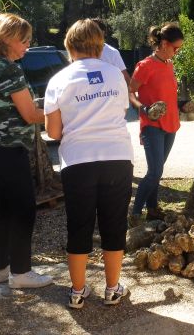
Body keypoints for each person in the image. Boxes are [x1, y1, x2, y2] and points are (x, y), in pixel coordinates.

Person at [44, 19, 134, 308]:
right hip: (118, 157)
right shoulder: (116, 75)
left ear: (69, 46)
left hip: (77, 161)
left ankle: (78, 292)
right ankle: (112, 289)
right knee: (114, 224)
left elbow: (54, 132)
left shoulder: (58, 80)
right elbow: (120, 111)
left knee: (79, 225)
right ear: (99, 46)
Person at [0, 13, 53, 289]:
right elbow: (31, 114)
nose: (27, 46)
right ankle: (21, 272)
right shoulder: (8, 69)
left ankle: (1, 268)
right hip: (7, 149)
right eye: (24, 40)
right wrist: (64, 111)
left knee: (4, 209)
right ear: (6, 39)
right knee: (23, 209)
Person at [128, 23, 185, 225]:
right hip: (152, 126)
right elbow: (130, 92)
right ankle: (135, 214)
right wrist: (143, 109)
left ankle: (152, 210)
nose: (177, 52)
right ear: (163, 43)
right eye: (175, 48)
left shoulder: (168, 63)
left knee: (158, 170)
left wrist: (183, 104)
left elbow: (167, 95)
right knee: (155, 172)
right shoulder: (145, 66)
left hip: (171, 125)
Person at [92, 18, 131, 87]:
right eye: (90, 30)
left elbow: (125, 77)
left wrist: (132, 95)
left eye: (95, 29)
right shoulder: (81, 52)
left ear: (103, 32)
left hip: (108, 94)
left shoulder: (112, 52)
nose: (92, 32)